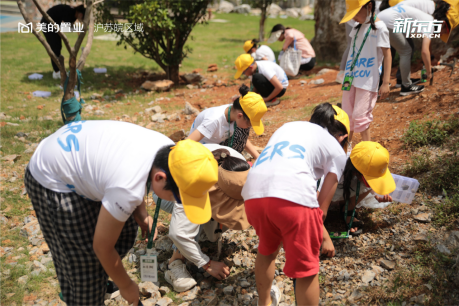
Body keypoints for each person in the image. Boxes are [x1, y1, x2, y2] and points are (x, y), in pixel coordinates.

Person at [24, 121, 218, 306]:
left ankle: (96, 279)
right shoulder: (127, 187)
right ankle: (82, 292)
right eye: (179, 197)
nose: (179, 203)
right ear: (161, 178)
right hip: (53, 177)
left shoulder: (173, 152)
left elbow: (134, 176)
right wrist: (126, 285)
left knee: (125, 233)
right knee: (82, 263)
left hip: (82, 159)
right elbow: (102, 246)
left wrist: (141, 214)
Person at [241, 103, 350, 306]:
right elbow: (321, 210)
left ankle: (264, 303)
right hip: (292, 197)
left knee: (267, 250)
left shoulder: (288, 127)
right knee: (306, 270)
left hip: (253, 195)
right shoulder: (337, 150)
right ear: (342, 137)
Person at [157, 144, 251, 292]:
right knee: (192, 218)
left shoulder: (238, 167)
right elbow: (178, 233)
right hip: (165, 191)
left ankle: (200, 236)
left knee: (210, 231)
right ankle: (175, 261)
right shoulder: (195, 180)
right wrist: (206, 263)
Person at [340, 0, 391, 143]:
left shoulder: (380, 28)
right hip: (350, 78)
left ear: (369, 6)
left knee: (360, 115)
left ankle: (367, 151)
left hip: (367, 80)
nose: (353, 18)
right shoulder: (357, 26)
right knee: (347, 115)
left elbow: (387, 55)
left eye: (355, 13)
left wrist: (385, 82)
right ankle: (345, 149)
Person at [330, 141, 396, 235]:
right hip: (332, 186)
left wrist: (377, 196)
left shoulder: (360, 165)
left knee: (365, 185)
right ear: (357, 172)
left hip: (347, 182)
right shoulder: (334, 171)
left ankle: (347, 208)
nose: (370, 184)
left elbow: (370, 183)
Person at [188, 85, 266, 159]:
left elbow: (242, 140)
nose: (250, 126)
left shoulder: (234, 111)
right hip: (202, 149)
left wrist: (258, 157)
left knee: (243, 129)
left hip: (218, 143)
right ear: (239, 116)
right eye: (250, 124)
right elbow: (187, 143)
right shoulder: (213, 120)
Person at [379, 3, 435, 95]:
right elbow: (425, 51)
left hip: (380, 17)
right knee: (406, 51)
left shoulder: (422, 17)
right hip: (389, 21)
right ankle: (406, 86)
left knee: (393, 50)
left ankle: (399, 81)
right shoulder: (430, 23)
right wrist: (429, 72)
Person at [40, 4, 86, 79]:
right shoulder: (70, 13)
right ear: (80, 14)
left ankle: (58, 70)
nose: (82, 20)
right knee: (55, 47)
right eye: (83, 18)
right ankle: (56, 72)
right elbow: (67, 27)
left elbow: (70, 26)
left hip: (54, 25)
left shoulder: (73, 13)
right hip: (47, 23)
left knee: (58, 46)